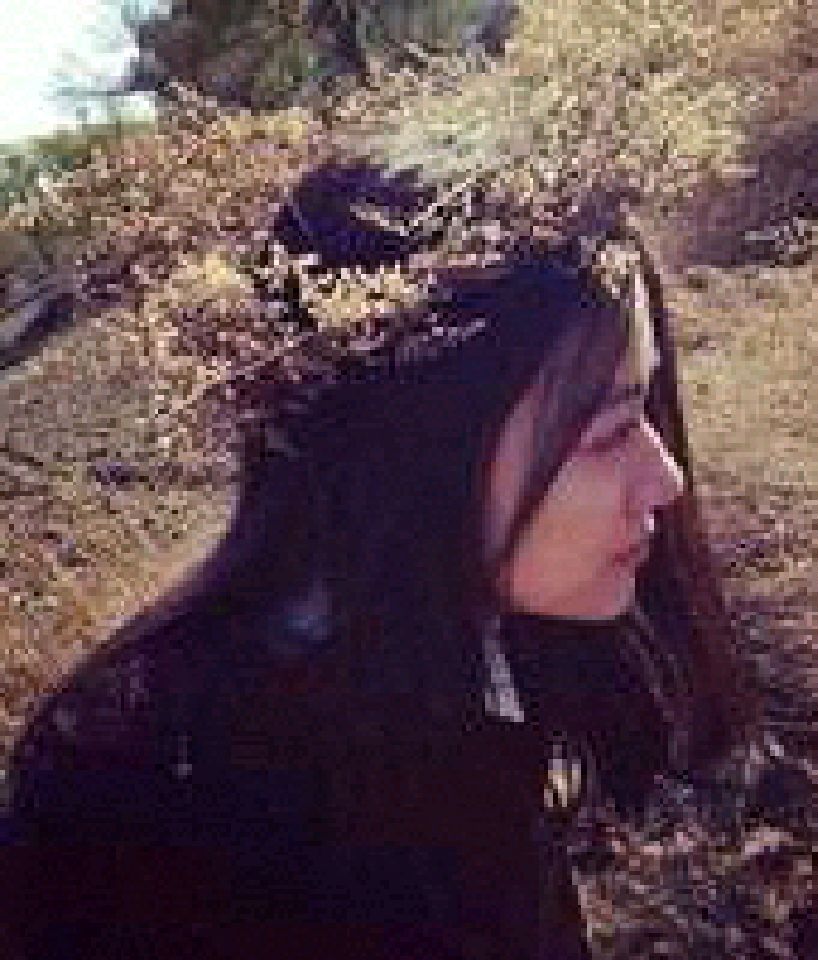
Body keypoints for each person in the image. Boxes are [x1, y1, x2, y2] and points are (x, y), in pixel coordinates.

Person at [3, 161, 759, 960]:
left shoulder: (470, 657)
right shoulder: (152, 804)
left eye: (646, 408)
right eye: (609, 433)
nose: (666, 479)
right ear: (419, 450)